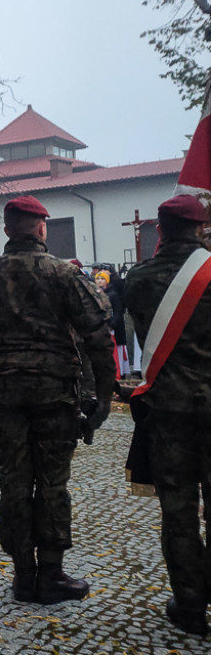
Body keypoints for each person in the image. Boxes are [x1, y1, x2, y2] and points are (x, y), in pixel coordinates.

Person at [0, 195, 115, 606]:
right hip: (55, 393)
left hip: (7, 393)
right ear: (42, 228)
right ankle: (53, 574)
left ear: (8, 229)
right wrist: (104, 396)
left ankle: (24, 575)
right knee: (52, 483)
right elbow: (99, 335)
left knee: (14, 481)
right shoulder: (63, 274)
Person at [122, 194, 211, 636]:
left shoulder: (138, 279)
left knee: (177, 510)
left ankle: (191, 606)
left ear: (159, 230)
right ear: (202, 228)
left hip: (168, 410)